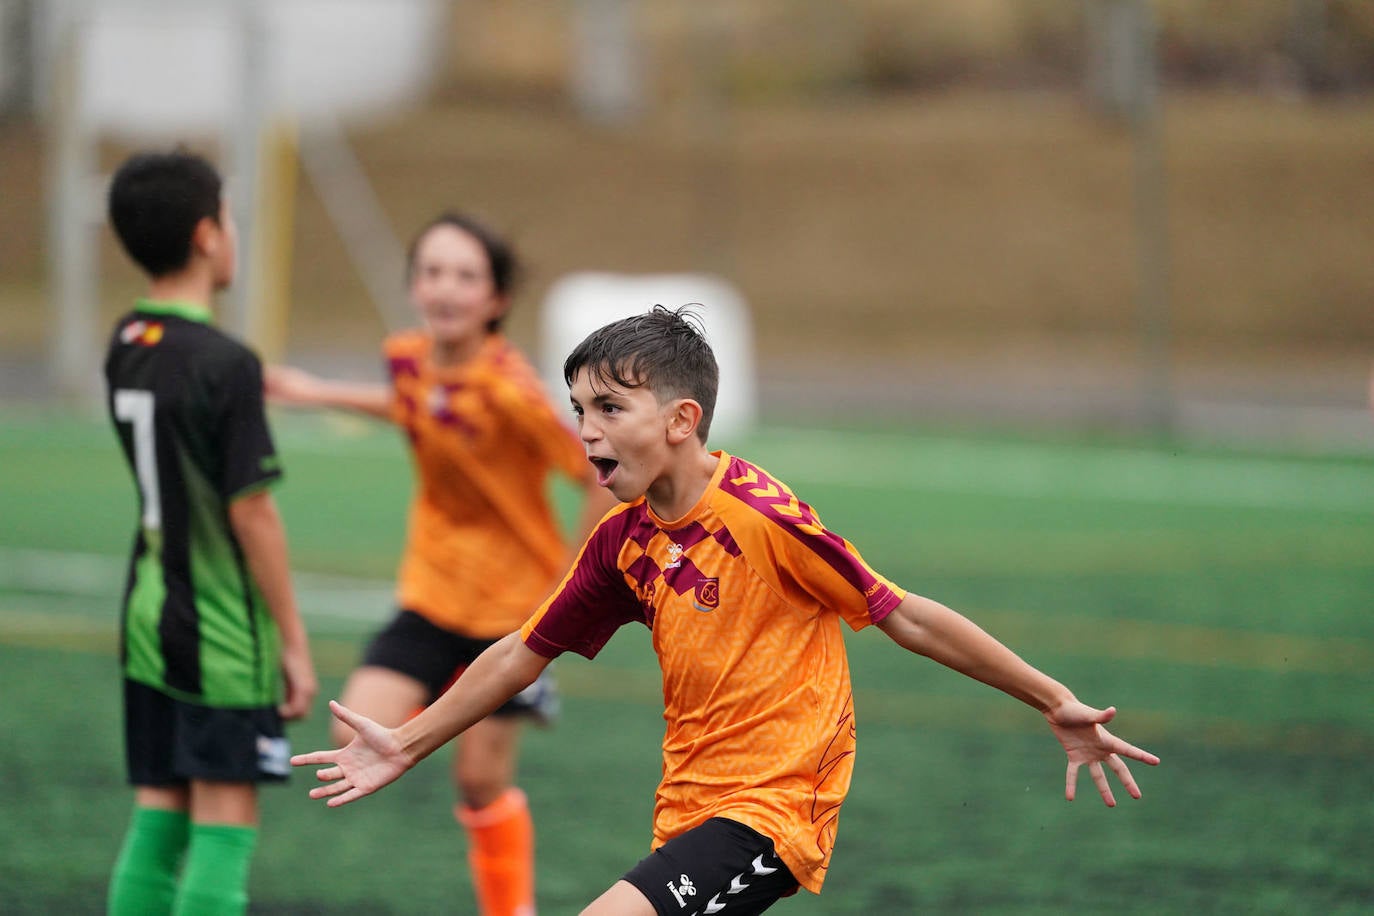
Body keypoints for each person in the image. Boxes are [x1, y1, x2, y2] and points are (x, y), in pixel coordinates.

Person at [292, 305, 1161, 915]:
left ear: (682, 419)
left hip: (777, 808)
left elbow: (906, 615)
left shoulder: (765, 516)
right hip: (689, 805)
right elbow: (524, 651)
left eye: (607, 409)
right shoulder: (622, 541)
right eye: (578, 410)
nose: (585, 433)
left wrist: (1053, 698)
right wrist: (406, 742)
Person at [265, 211, 614, 916]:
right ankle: (461, 699)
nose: (445, 288)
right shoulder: (409, 357)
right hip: (430, 592)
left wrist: (575, 584)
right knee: (351, 729)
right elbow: (415, 403)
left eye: (465, 275)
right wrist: (314, 391)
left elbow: (597, 472)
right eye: (431, 272)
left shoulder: (512, 391)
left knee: (479, 784)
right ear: (414, 286)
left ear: (496, 300)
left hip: (512, 614)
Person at [103, 149, 319, 916]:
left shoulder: (127, 340)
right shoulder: (224, 362)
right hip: (221, 627)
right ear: (206, 234)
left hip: (147, 616)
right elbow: (252, 511)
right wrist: (293, 640)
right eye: (229, 215)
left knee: (160, 812)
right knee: (226, 820)